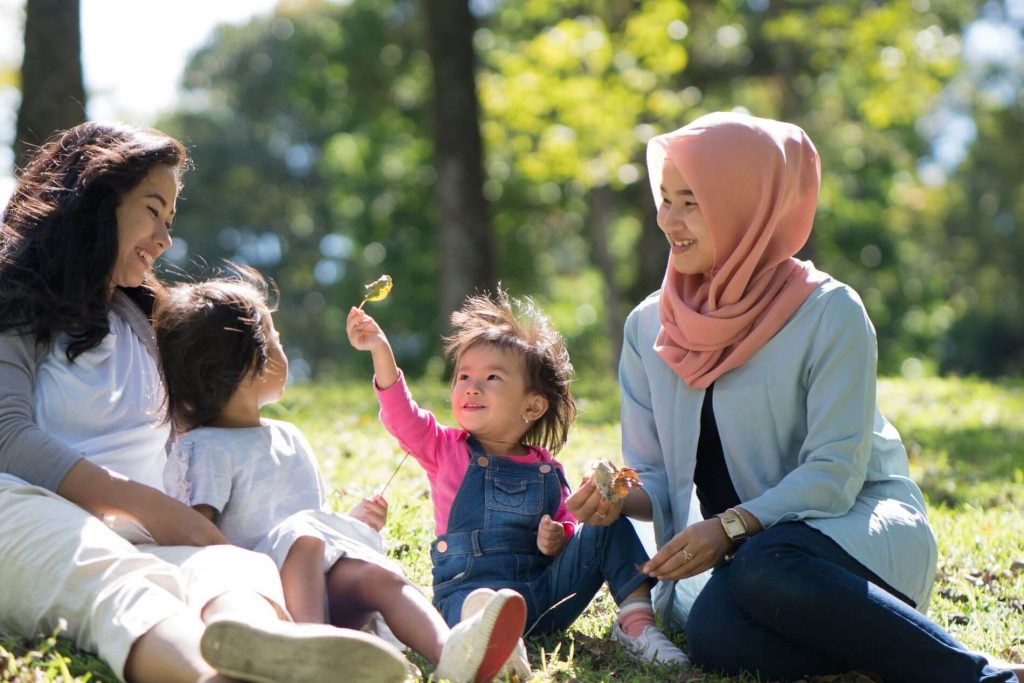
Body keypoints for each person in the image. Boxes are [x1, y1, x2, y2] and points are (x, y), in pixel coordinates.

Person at [567, 111, 1023, 683]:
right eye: (664, 199)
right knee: (712, 634)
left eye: (691, 201)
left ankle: (983, 677)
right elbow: (654, 477)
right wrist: (615, 496)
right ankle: (878, 656)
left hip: (851, 531)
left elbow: (834, 474)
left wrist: (730, 527)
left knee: (765, 563)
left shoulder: (829, 312)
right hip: (740, 566)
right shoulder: (647, 328)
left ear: (746, 204)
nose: (669, 220)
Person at [0, 121, 411, 683]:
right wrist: (146, 504)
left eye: (171, 219)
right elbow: (7, 436)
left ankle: (278, 653)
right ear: (94, 202)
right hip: (34, 516)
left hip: (148, 539)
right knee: (114, 583)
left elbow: (226, 398)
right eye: (152, 209)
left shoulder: (147, 322)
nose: (165, 239)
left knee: (234, 568)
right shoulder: (17, 306)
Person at [155, 269, 527, 683]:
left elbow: (310, 518)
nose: (284, 350)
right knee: (306, 537)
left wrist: (349, 524)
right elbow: (197, 537)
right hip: (266, 596)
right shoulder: (205, 448)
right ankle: (311, 650)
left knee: (380, 577)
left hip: (324, 579)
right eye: (275, 341)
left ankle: (452, 652)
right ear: (248, 366)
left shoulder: (288, 436)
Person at [346, 288, 690, 678]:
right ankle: (495, 647)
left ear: (532, 406)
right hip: (470, 593)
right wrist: (380, 350)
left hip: (543, 597)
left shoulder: (547, 469)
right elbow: (401, 415)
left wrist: (559, 535)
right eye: (464, 376)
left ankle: (636, 623)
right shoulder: (444, 448)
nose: (472, 386)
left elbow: (568, 525)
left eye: (492, 377)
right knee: (475, 607)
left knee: (607, 524)